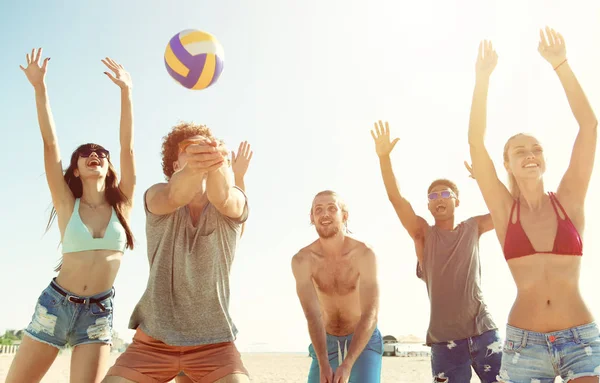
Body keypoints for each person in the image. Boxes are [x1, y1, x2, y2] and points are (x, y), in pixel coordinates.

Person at [468, 27, 600, 382]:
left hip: (580, 340)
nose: (530, 155)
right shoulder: (504, 210)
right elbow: (476, 145)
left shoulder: (568, 200)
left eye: (536, 148)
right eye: (519, 151)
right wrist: (482, 80)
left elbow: (589, 126)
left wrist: (561, 65)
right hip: (524, 344)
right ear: (507, 164)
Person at [6, 49, 136, 383]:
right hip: (55, 307)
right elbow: (50, 145)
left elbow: (128, 147)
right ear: (76, 170)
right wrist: (40, 88)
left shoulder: (123, 206)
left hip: (99, 314)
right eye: (85, 154)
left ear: (109, 168)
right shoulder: (67, 204)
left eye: (101, 154)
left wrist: (126, 91)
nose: (95, 155)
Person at [102, 123, 250, 383]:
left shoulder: (233, 202)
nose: (200, 148)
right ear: (173, 166)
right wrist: (197, 167)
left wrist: (221, 167)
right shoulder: (157, 194)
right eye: (189, 147)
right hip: (153, 341)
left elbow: (225, 196)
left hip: (214, 343)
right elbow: (174, 194)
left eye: (206, 144)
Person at [371, 120, 501, 382]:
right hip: (444, 340)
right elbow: (397, 199)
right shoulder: (423, 234)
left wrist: (486, 179)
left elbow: (504, 210)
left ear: (457, 200)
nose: (439, 199)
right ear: (428, 207)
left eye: (445, 193)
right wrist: (384, 159)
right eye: (432, 197)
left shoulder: (473, 227)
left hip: (484, 332)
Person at [174, 140, 253, 383]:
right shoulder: (170, 210)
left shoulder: (222, 220)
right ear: (176, 165)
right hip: (175, 332)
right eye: (189, 153)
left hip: (215, 335)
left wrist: (238, 176)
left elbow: (238, 212)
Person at [292, 190, 382, 383]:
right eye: (318, 210)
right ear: (312, 217)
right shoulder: (302, 260)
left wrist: (348, 363)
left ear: (344, 215)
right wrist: (323, 362)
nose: (324, 214)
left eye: (332, 208)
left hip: (363, 338)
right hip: (325, 342)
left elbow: (371, 313)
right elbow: (312, 315)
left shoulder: (364, 254)